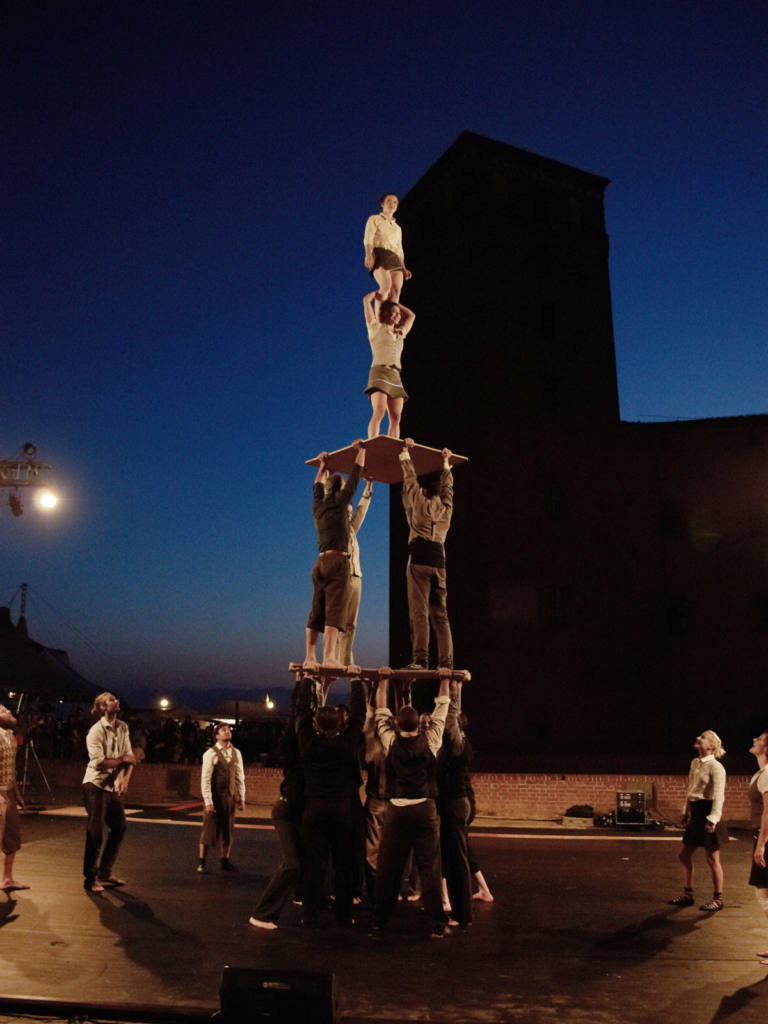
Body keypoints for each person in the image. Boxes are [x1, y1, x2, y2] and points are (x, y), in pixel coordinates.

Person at [371, 670, 452, 938]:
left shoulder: (390, 740)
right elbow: (443, 706)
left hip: (397, 809)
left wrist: (382, 680)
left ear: (398, 724)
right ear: (419, 724)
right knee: (430, 866)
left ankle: (379, 920)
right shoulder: (430, 740)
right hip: (424, 809)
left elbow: (381, 709)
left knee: (389, 866)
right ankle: (437, 924)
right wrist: (444, 677)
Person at [295, 676, 365, 927]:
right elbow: (359, 715)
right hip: (341, 809)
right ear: (340, 725)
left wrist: (305, 681)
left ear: (317, 725)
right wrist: (356, 681)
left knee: (314, 863)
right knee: (343, 864)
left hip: (314, 808)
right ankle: (344, 916)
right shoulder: (347, 744)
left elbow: (301, 714)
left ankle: (310, 914)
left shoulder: (308, 743)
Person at [305, 440, 366, 670]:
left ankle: (310, 655)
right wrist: (361, 452)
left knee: (316, 611)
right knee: (334, 613)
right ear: (339, 491)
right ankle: (330, 657)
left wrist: (322, 467)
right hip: (338, 561)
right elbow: (355, 477)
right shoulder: (342, 502)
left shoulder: (318, 506)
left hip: (319, 562)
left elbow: (316, 487)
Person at [399, 438, 454, 670]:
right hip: (439, 563)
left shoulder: (419, 503)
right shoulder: (446, 508)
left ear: (424, 491)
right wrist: (445, 464)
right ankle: (446, 663)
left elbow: (410, 482)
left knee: (419, 613)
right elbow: (448, 490)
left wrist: (406, 455)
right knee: (440, 616)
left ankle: (421, 660)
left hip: (420, 560)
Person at [82, 692, 137, 893]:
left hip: (112, 786)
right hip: (95, 786)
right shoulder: (95, 732)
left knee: (119, 827)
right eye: (112, 700)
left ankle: (105, 873)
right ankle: (90, 878)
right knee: (95, 833)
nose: (117, 702)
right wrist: (123, 761)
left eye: (116, 699)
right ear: (103, 707)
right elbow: (99, 764)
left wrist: (125, 778)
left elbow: (130, 757)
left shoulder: (123, 727)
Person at [669, 730, 726, 912]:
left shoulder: (716, 767)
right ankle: (688, 894)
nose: (697, 739)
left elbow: (719, 795)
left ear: (711, 746)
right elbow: (691, 788)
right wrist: (686, 811)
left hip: (708, 813)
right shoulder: (695, 763)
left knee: (712, 858)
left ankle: (718, 899)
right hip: (696, 812)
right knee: (684, 855)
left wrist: (714, 819)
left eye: (702, 738)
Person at [436, 683, 473, 927]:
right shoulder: (455, 745)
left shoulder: (458, 745)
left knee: (458, 859)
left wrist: (452, 689)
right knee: (453, 858)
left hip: (454, 804)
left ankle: (463, 914)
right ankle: (460, 912)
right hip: (453, 804)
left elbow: (451, 714)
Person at [363, 292, 415, 439]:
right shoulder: (375, 328)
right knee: (379, 411)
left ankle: (393, 445)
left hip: (395, 375)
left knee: (396, 417)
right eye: (394, 313)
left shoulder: (400, 333)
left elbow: (411, 316)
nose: (397, 316)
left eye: (398, 314)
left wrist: (395, 304)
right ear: (386, 314)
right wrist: (379, 295)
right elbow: (366, 301)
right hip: (380, 372)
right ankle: (372, 441)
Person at [198, 723, 246, 873]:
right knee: (209, 830)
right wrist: (208, 801)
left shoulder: (236, 753)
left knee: (228, 830)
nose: (227, 732)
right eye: (223, 730)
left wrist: (241, 797)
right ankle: (202, 862)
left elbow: (240, 776)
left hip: (230, 797)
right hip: (216, 797)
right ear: (217, 736)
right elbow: (205, 779)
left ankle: (225, 860)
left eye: (228, 730)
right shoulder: (210, 754)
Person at [338, 480, 373, 667]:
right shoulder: (335, 529)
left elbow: (360, 512)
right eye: (346, 513)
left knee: (351, 624)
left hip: (356, 577)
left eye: (350, 514)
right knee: (337, 623)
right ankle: (334, 660)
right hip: (340, 578)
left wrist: (368, 489)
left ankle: (346, 660)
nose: (349, 516)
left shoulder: (351, 529)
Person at [363, 193, 411, 303]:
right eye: (389, 201)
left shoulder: (397, 228)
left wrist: (404, 268)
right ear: (382, 204)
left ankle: (392, 319)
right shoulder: (374, 219)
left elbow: (399, 248)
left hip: (395, 258)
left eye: (395, 202)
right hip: (380, 254)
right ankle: (380, 317)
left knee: (396, 290)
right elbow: (368, 238)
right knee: (385, 287)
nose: (392, 204)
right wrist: (368, 254)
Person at [0, 704, 28, 893]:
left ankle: (7, 879)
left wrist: (16, 793)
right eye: (3, 711)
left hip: (8, 791)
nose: (9, 712)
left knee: (12, 836)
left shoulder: (10, 736)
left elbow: (12, 770)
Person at [747, 731, 768, 963]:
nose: (755, 740)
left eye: (760, 739)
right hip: (762, 835)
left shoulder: (767, 774)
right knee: (764, 892)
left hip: (766, 837)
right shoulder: (762, 773)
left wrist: (761, 843)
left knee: (763, 892)